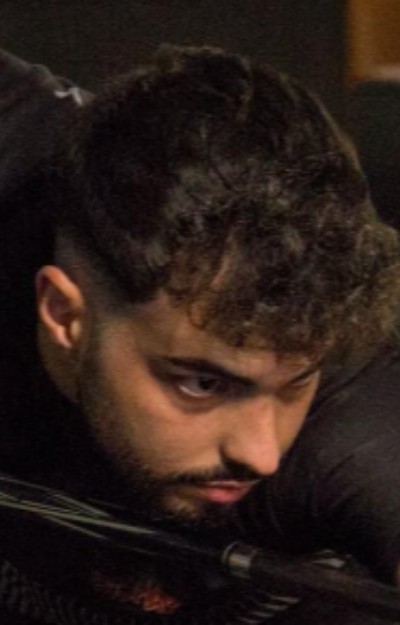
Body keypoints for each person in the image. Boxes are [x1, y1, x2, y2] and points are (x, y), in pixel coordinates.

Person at [1, 44, 400, 625]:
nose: (260, 453)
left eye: (298, 381)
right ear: (64, 315)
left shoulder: (354, 423)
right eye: (203, 384)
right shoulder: (21, 153)